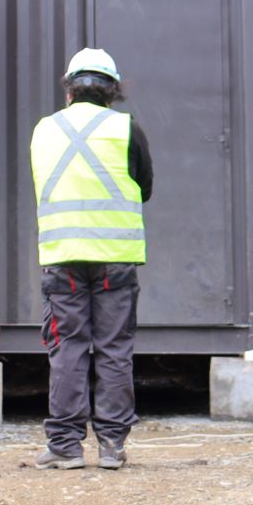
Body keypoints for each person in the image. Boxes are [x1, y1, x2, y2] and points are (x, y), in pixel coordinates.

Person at [29, 48, 154, 471]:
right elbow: (145, 187)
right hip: (115, 260)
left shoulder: (44, 130)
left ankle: (64, 445)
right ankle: (112, 446)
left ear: (69, 90)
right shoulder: (127, 129)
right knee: (114, 349)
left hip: (62, 259)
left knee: (67, 348)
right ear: (112, 91)